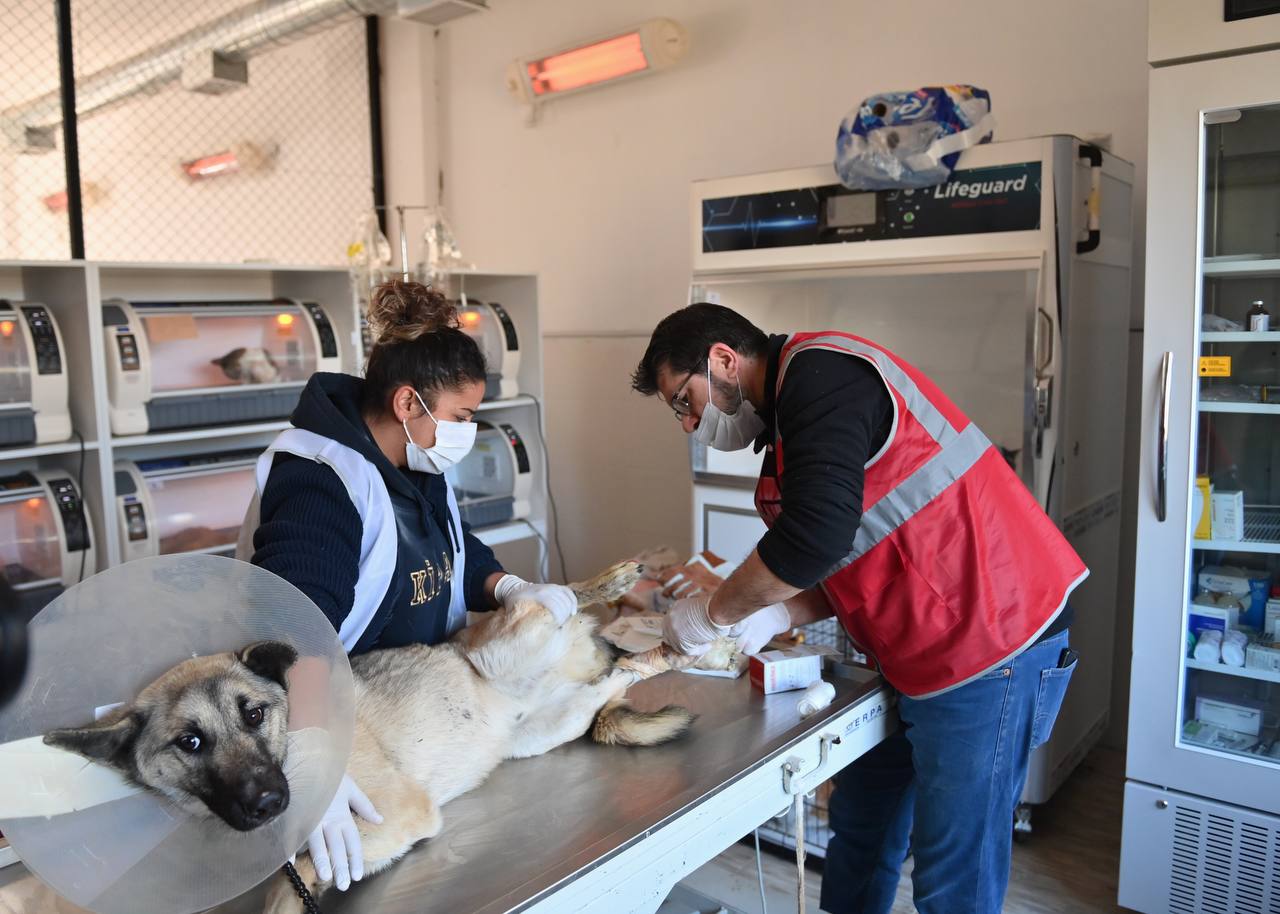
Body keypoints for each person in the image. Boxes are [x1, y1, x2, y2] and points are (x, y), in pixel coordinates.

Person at [631, 303, 1082, 914]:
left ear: (723, 360)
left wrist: (714, 612)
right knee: (862, 832)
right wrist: (778, 614)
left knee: (954, 878)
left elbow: (814, 535)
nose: (689, 424)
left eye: (683, 401)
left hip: (989, 644)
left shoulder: (825, 378)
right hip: (916, 650)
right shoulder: (790, 421)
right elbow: (854, 550)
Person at [238, 280, 575, 892]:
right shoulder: (321, 478)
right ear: (407, 404)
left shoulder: (413, 461)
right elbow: (291, 624)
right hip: (348, 718)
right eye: (462, 418)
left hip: (423, 705)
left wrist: (506, 586)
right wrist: (314, 755)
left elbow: (448, 545)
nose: (467, 434)